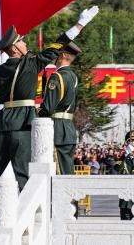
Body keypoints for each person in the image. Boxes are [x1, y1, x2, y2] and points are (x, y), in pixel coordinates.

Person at [0, 6, 98, 245]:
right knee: (26, 179)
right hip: (24, 126)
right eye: (21, 41)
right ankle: (32, 230)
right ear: (14, 48)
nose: (25, 43)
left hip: (3, 128)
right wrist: (80, 24)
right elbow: (59, 44)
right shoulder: (31, 64)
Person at [38, 41, 81, 175]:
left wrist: (35, 112)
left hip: (56, 129)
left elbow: (48, 108)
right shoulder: (73, 77)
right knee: (67, 171)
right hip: (68, 128)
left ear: (61, 55)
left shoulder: (57, 77)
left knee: (59, 174)